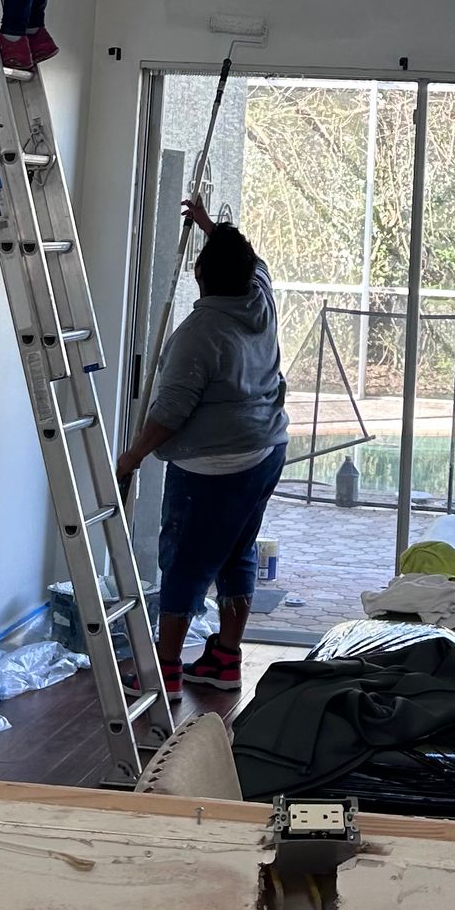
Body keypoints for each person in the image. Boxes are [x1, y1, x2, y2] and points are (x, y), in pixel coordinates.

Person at [117, 195, 288, 706]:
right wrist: (211, 227)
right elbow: (250, 260)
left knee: (185, 562)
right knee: (237, 552)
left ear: (200, 277)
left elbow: (170, 412)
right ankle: (224, 660)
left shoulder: (199, 334)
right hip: (266, 451)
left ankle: (164, 670)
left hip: (215, 467)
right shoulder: (259, 296)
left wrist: (132, 457)